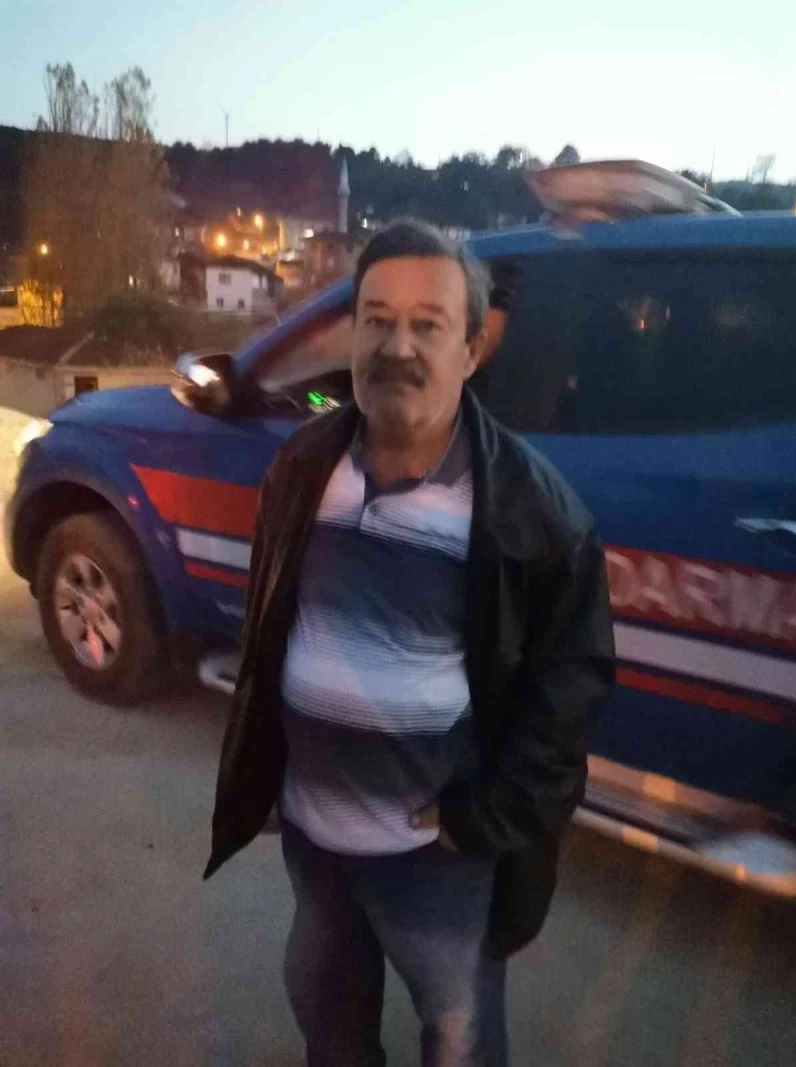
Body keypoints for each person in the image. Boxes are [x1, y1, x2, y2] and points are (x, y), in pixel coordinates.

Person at [204, 219, 615, 1066]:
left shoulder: (534, 512)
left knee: (460, 1039)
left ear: (472, 350)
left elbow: (567, 699)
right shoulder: (302, 469)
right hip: (315, 840)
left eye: (428, 325)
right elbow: (272, 629)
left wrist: (483, 820)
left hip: (438, 860)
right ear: (352, 335)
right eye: (377, 320)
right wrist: (271, 767)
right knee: (327, 1021)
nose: (397, 347)